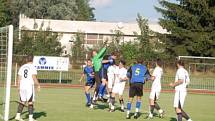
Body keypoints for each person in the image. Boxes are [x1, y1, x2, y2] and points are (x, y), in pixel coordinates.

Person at [15, 55, 40, 121]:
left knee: (22, 101)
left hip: (22, 85)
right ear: (32, 60)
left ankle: (17, 116)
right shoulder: (32, 67)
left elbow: (19, 77)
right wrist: (38, 85)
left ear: (26, 60)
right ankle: (30, 118)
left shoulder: (22, 67)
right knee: (30, 101)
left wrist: (18, 86)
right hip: (29, 86)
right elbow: (34, 77)